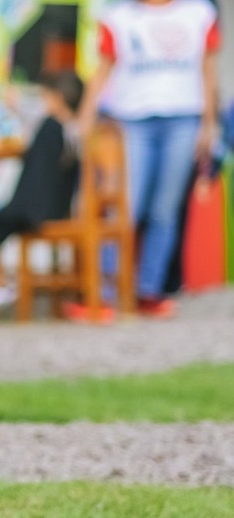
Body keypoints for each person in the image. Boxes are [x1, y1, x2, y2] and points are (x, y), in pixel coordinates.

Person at [78, 0, 222, 318]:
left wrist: (209, 124)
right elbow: (103, 69)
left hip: (184, 116)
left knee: (164, 211)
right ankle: (104, 292)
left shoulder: (199, 13)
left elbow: (207, 69)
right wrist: (85, 118)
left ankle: (149, 290)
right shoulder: (118, 18)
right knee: (127, 208)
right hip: (132, 119)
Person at [0, 70, 84, 324]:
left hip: (31, 209)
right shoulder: (75, 132)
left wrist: (11, 100)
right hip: (57, 209)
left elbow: (24, 113)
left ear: (58, 99)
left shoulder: (50, 125)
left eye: (46, 97)